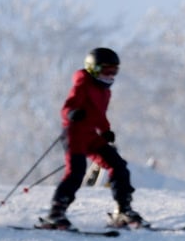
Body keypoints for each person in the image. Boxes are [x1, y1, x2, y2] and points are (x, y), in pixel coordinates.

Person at [41, 47, 144, 229]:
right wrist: (72, 113)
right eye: (106, 70)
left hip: (91, 135)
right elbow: (67, 107)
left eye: (114, 71)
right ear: (93, 69)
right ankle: (55, 213)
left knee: (118, 166)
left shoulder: (105, 92)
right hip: (75, 134)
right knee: (76, 172)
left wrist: (105, 130)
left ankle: (123, 210)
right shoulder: (83, 84)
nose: (110, 75)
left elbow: (100, 115)